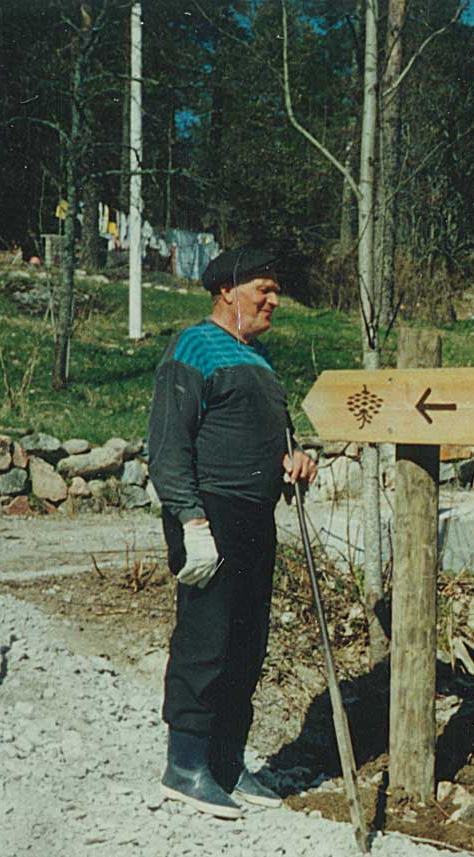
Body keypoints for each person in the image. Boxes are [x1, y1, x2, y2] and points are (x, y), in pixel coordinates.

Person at [146, 245, 318, 820]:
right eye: (262, 290)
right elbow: (169, 445)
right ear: (227, 290)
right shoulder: (193, 345)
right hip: (211, 513)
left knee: (247, 641)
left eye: (276, 291)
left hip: (255, 515)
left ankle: (226, 761)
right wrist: (190, 521)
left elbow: (280, 440)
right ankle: (185, 765)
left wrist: (297, 461)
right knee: (206, 638)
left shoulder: (261, 360)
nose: (274, 300)